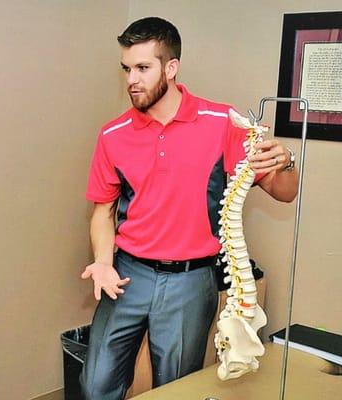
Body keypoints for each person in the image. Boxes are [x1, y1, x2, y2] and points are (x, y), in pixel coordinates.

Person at [80, 17, 298, 399]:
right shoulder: (112, 135)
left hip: (190, 281)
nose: (132, 79)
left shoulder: (221, 123)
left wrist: (286, 162)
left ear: (171, 67)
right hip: (127, 274)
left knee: (176, 389)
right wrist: (102, 261)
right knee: (96, 384)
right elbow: (103, 211)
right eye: (127, 68)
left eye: (143, 68)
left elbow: (284, 192)